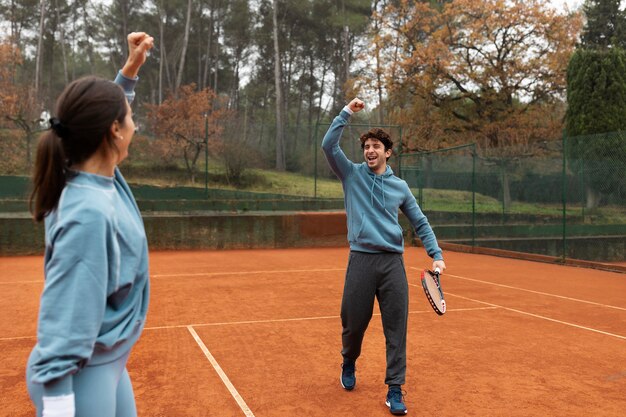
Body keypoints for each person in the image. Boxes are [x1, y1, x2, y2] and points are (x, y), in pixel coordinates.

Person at [26, 32, 154, 417]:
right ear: (114, 131)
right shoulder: (88, 214)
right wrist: (59, 408)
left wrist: (129, 73)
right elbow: (62, 333)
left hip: (108, 361)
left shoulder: (96, 176)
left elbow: (96, 120)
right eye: (129, 117)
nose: (134, 124)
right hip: (76, 374)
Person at [321, 98, 446, 415]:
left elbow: (420, 222)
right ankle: (349, 360)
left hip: (392, 264)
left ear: (388, 152)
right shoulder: (351, 175)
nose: (370, 151)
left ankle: (395, 389)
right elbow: (328, 145)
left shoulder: (400, 187)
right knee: (353, 325)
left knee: (396, 329)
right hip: (361, 261)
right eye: (367, 146)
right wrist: (347, 112)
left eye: (376, 146)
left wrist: (436, 254)